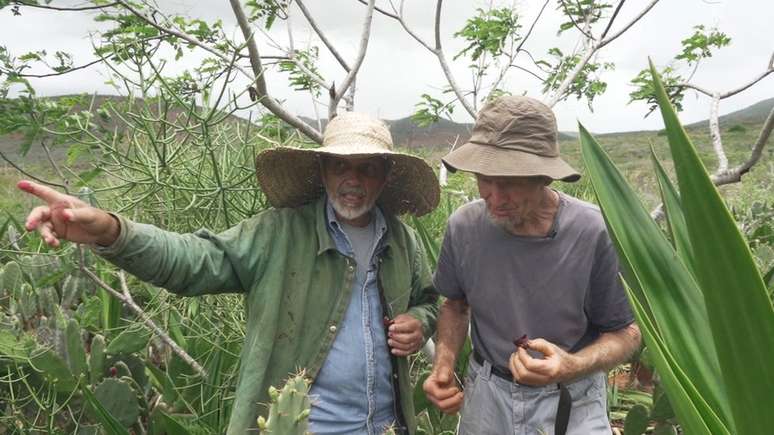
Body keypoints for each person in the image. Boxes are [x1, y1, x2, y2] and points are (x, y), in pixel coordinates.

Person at [19, 112, 441, 435]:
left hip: (386, 425)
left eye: (367, 167)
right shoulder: (278, 233)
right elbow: (192, 260)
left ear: (386, 176)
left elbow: (427, 301)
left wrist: (419, 324)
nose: (352, 180)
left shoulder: (401, 241)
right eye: (340, 167)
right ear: (322, 171)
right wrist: (113, 231)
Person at [422, 96, 641, 434]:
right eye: (484, 178)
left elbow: (626, 333)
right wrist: (444, 365)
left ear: (544, 177)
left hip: (572, 399)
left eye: (508, 181)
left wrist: (571, 366)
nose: (492, 196)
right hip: (487, 396)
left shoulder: (593, 232)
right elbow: (455, 304)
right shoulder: (464, 227)